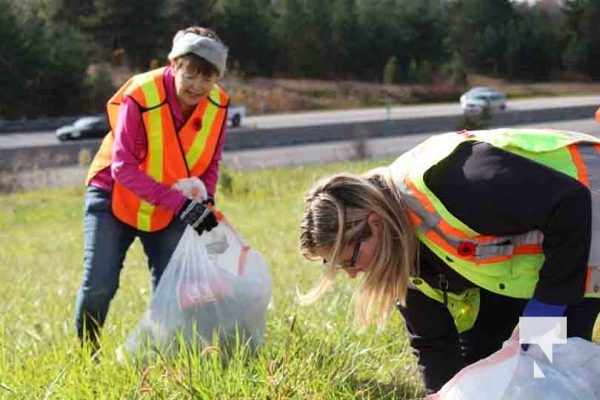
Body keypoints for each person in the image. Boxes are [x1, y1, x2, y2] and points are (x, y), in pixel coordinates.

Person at [299, 128, 600, 394]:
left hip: (587, 215)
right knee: (489, 371)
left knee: (550, 373)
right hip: (548, 263)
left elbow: (569, 203)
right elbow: (433, 344)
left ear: (375, 224)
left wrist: (546, 310)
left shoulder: (451, 183)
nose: (352, 274)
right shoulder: (401, 255)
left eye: (349, 259)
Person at [75, 26, 231, 351]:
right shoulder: (141, 95)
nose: (198, 87)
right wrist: (180, 204)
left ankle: (161, 356)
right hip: (112, 194)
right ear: (174, 64)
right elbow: (123, 167)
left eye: (208, 79)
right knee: (99, 284)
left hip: (170, 205)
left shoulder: (217, 105)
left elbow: (211, 161)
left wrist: (206, 200)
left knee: (173, 289)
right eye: (191, 75)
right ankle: (86, 353)